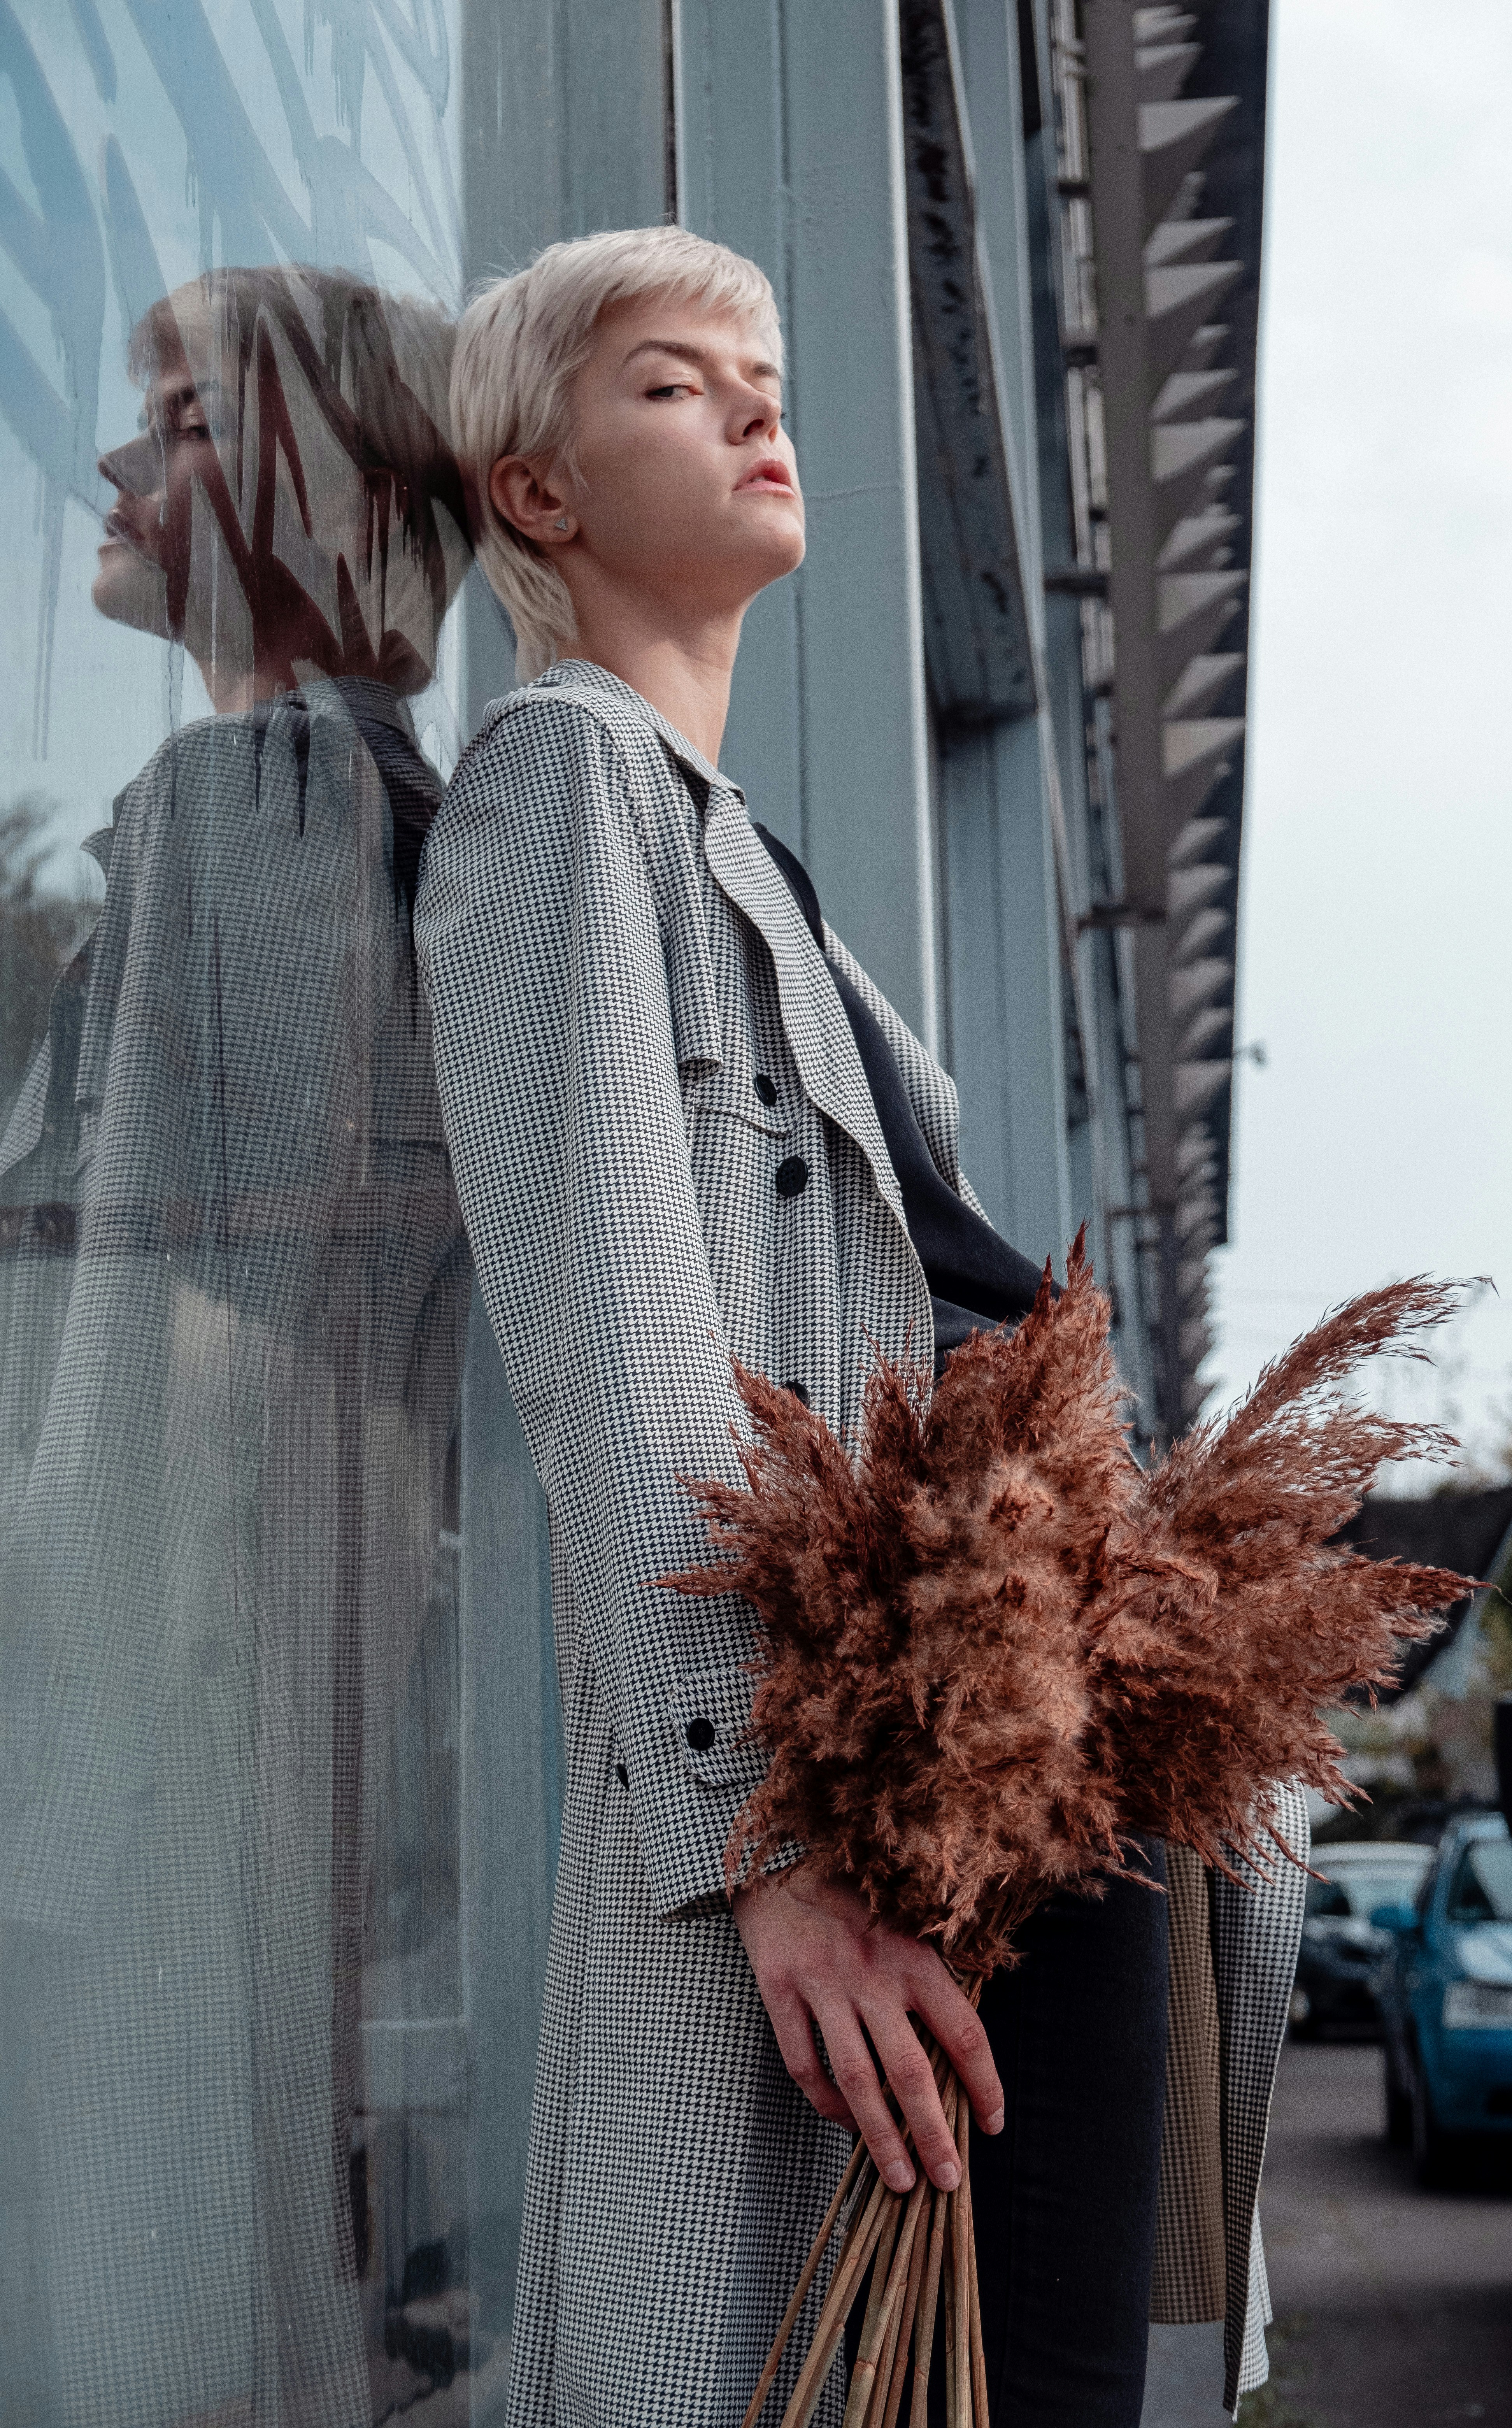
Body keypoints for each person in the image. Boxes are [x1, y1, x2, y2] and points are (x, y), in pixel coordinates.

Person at [419, 225, 1307, 2428]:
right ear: (533, 490)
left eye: (766, 371)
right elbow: (616, 1331)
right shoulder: (561, 787)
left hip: (1009, 1867)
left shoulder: (763, 880)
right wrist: (777, 1852)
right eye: (669, 381)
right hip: (856, 1899)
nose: (751, 405)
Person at [0, 264, 478, 2426]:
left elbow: (220, 1346)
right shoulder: (318, 806)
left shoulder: (263, 805)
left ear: (307, 486)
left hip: (154, 1753)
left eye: (183, 420)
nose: (115, 463)